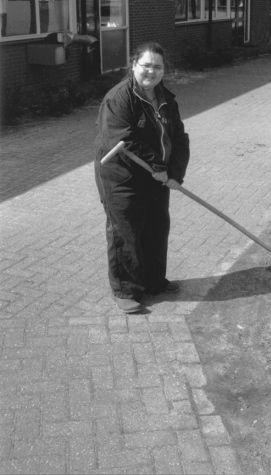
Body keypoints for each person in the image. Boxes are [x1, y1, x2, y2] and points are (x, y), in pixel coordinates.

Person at [94, 42, 190, 314]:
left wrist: (175, 174)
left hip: (157, 176)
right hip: (121, 176)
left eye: (157, 66)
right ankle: (126, 290)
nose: (151, 71)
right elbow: (123, 140)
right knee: (126, 231)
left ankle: (153, 281)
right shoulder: (119, 99)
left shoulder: (166, 99)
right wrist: (157, 165)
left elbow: (180, 139)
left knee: (156, 226)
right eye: (145, 65)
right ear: (133, 65)